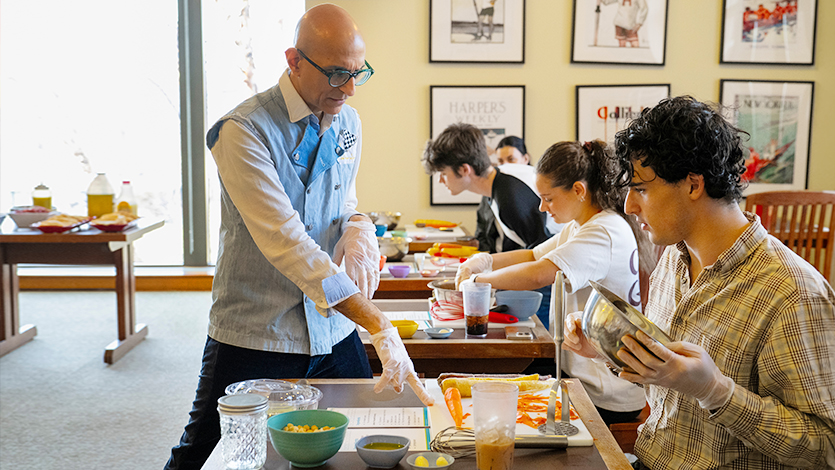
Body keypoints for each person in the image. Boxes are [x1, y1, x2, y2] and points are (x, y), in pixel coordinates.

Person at [165, 5, 432, 470]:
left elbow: (343, 200)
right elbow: (289, 242)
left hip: (332, 327)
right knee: (203, 447)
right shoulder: (242, 131)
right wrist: (379, 324)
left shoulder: (348, 122)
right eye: (335, 75)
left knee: (362, 438)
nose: (348, 89)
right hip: (258, 329)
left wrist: (358, 225)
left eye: (357, 73)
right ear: (293, 61)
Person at [565, 96, 835, 468]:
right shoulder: (674, 259)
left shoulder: (792, 291)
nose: (629, 206)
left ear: (693, 185)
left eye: (641, 189)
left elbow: (826, 446)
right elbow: (668, 382)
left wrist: (715, 390)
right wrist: (606, 348)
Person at [456, 140, 651, 425]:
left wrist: (480, 280)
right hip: (586, 375)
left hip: (606, 390)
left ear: (578, 190)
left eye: (548, 198)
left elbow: (539, 273)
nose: (542, 207)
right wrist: (485, 260)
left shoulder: (603, 231)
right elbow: (533, 253)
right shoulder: (583, 224)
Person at [423, 124, 553, 255]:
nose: (440, 180)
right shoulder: (498, 183)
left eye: (443, 173)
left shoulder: (509, 195)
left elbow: (543, 255)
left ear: (464, 170)